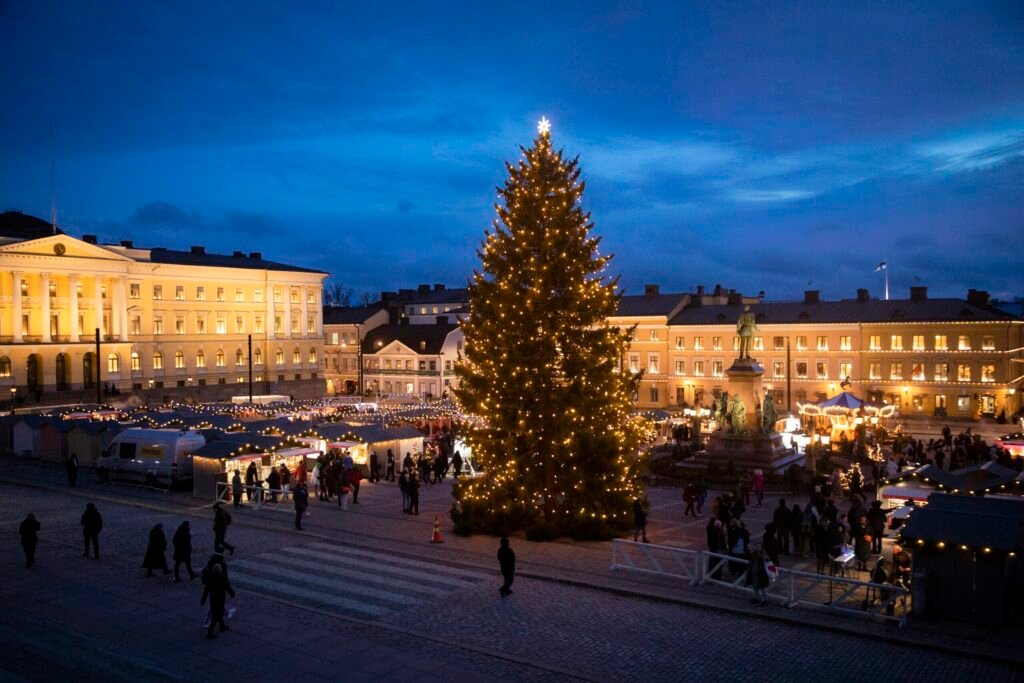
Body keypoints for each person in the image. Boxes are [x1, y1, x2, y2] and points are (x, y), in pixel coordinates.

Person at [200, 564, 236, 640]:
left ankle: (222, 626)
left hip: (213, 599)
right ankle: (210, 633)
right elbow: (227, 586)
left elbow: (206, 590)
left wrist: (203, 600)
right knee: (216, 616)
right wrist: (232, 593)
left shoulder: (211, 577)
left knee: (218, 613)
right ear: (220, 569)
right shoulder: (222, 577)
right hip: (220, 599)